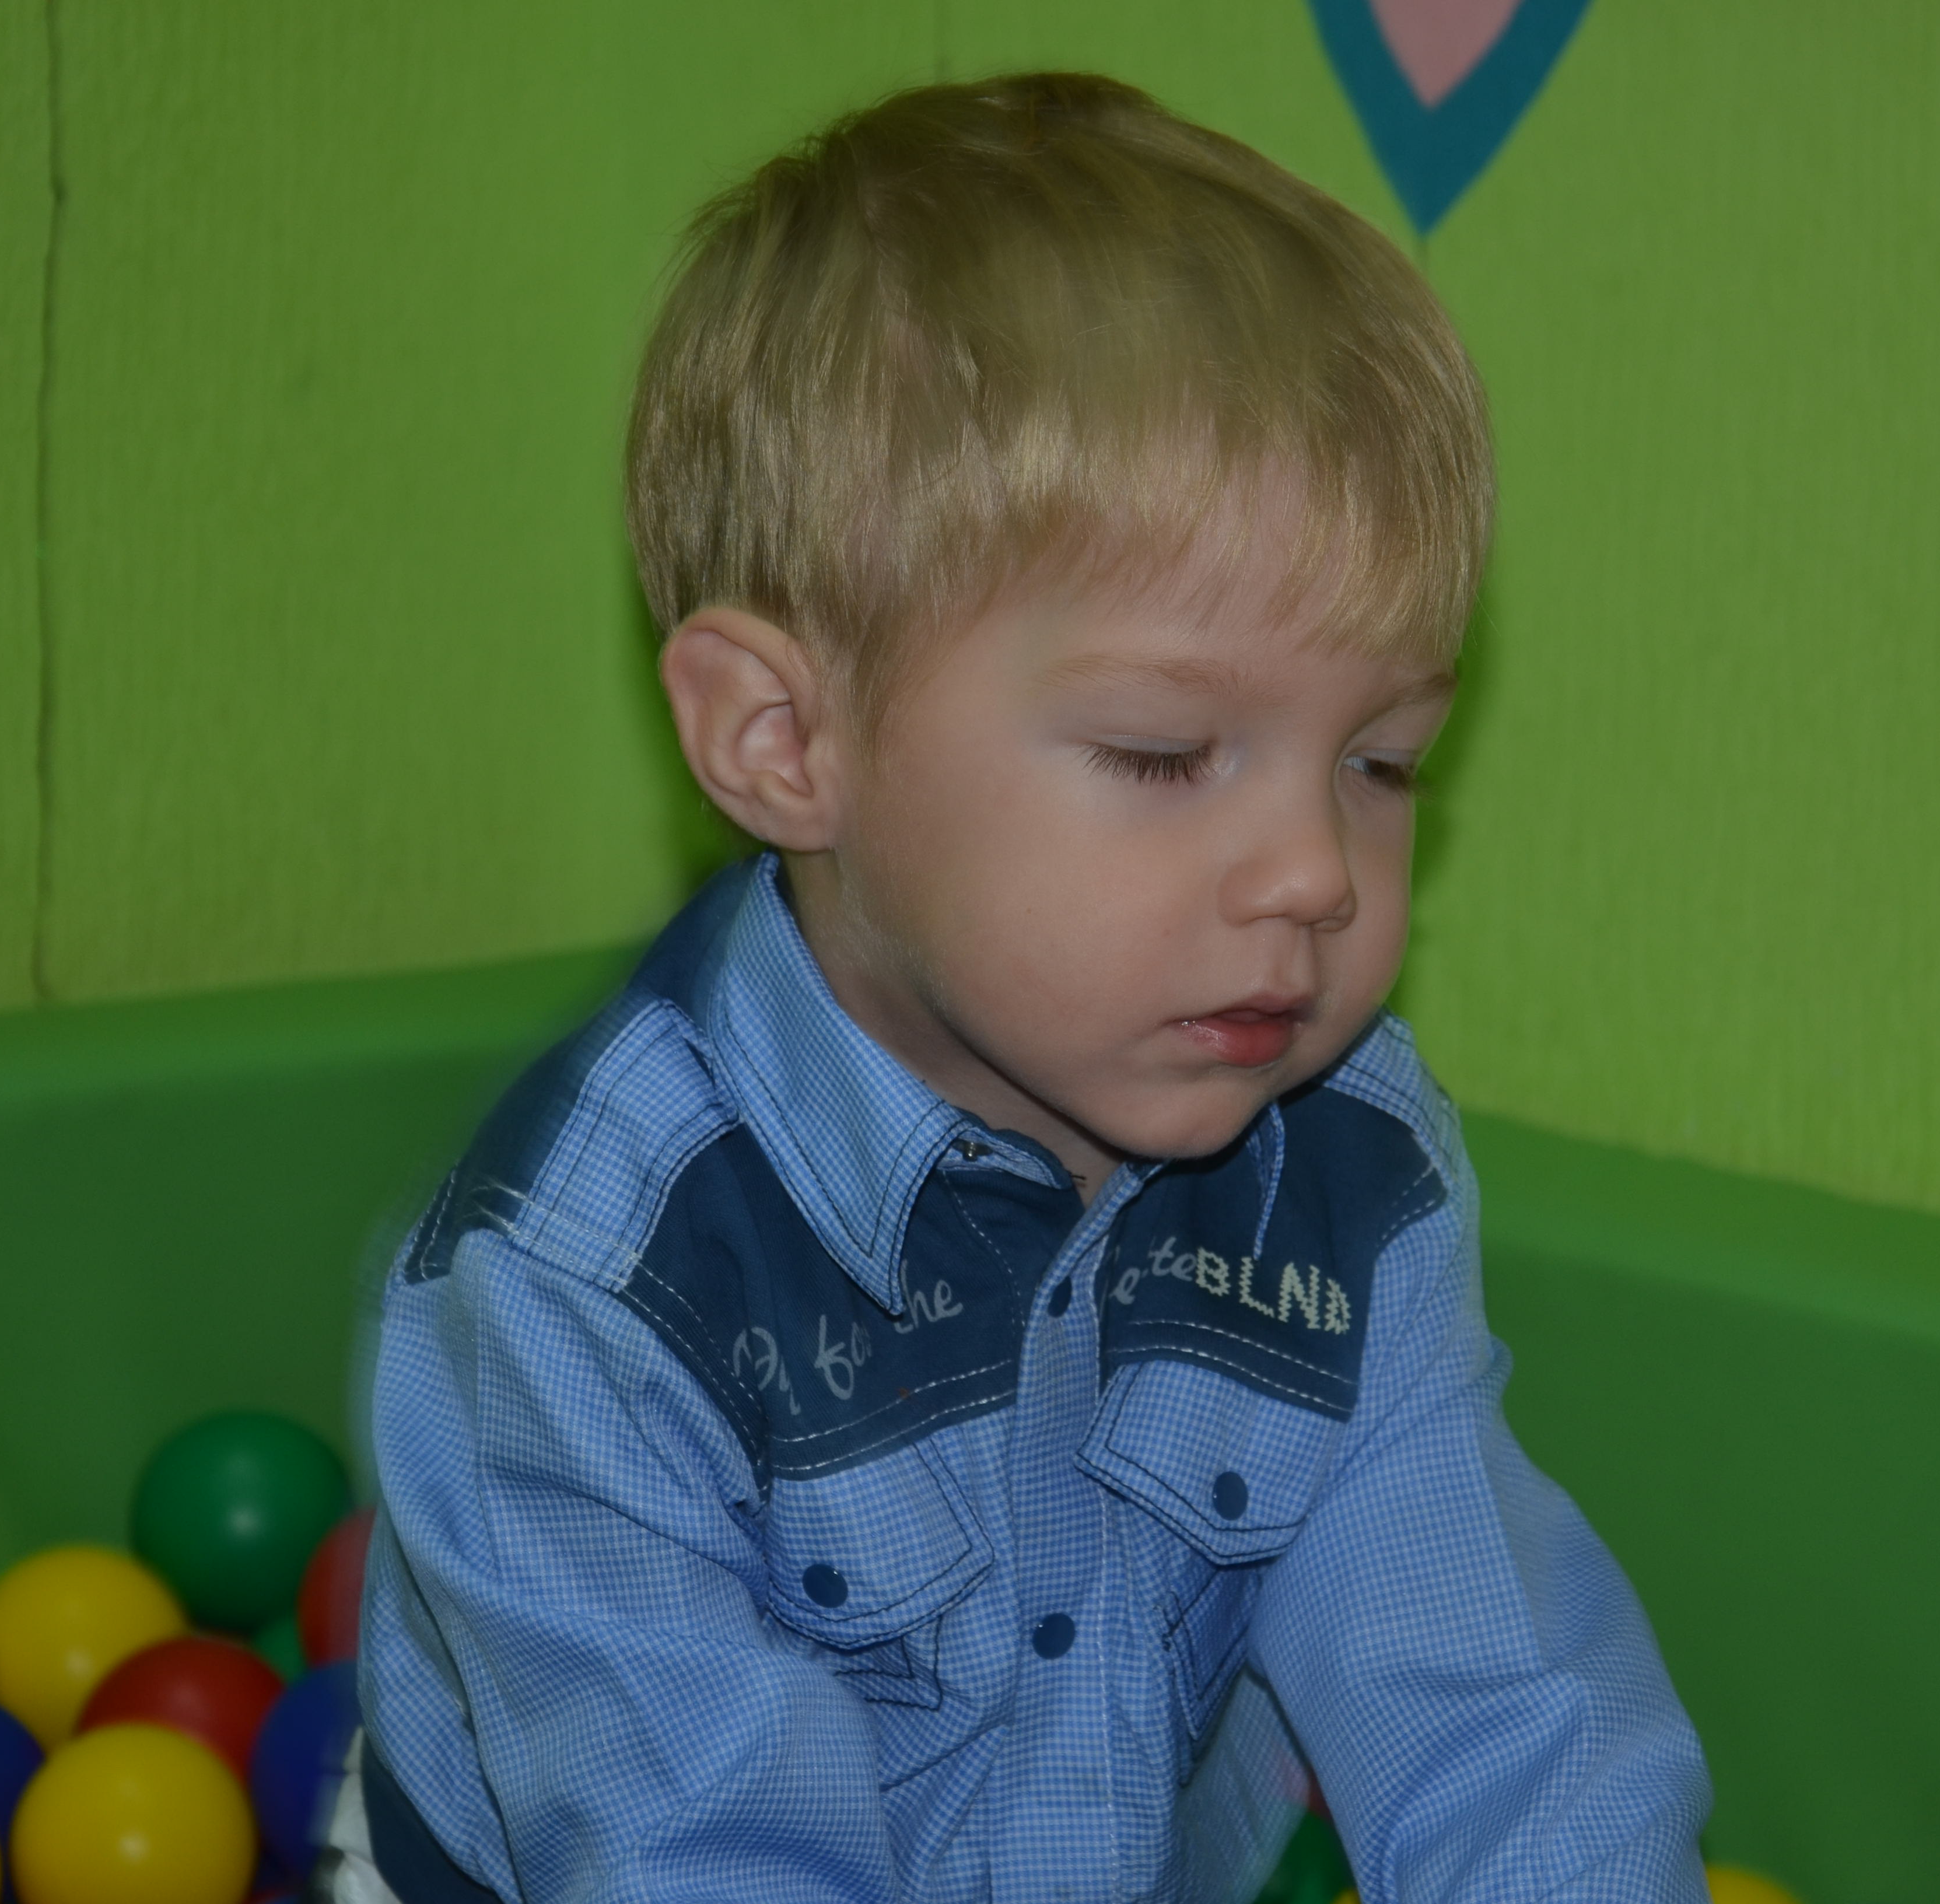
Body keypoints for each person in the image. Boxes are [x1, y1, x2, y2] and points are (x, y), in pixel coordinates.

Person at [347, 71, 1713, 1904]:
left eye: (1380, 763)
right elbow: (703, 1861)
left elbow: (1499, 1713)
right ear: (785, 741)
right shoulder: (591, 1282)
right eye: (1164, 753)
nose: (1315, 872)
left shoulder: (1346, 1173)